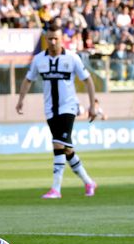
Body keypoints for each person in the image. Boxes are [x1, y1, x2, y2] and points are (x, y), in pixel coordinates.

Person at [16, 22, 98, 199]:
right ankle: (88, 182)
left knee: (58, 144)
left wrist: (92, 105)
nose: (53, 42)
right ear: (46, 40)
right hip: (50, 109)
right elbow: (28, 79)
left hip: (69, 107)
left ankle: (56, 189)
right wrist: (21, 100)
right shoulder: (39, 59)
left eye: (56, 39)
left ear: (62, 39)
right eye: (50, 39)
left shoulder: (72, 58)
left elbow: (88, 80)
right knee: (66, 149)